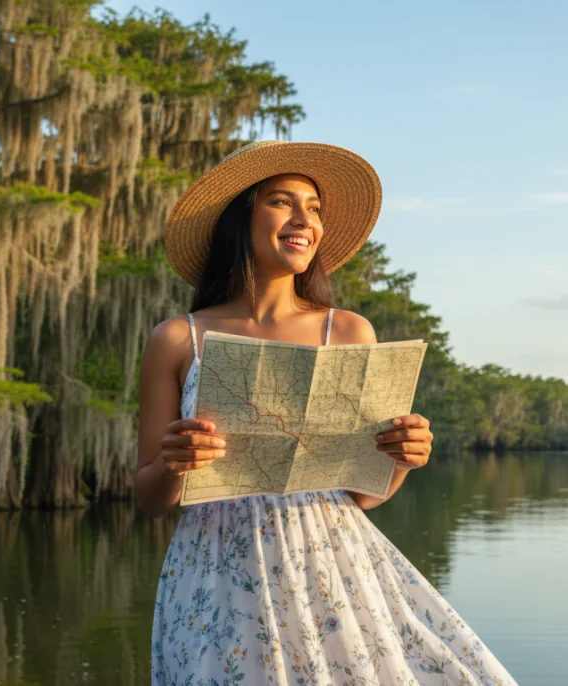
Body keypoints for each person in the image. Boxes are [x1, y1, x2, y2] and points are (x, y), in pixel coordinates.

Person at [136, 140, 517, 685]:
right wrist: (174, 465)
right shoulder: (178, 338)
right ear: (239, 217)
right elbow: (148, 496)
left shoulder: (349, 331)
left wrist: (402, 459)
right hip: (214, 572)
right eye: (282, 201)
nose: (304, 219)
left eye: (313, 207)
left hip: (331, 567)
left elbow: (364, 494)